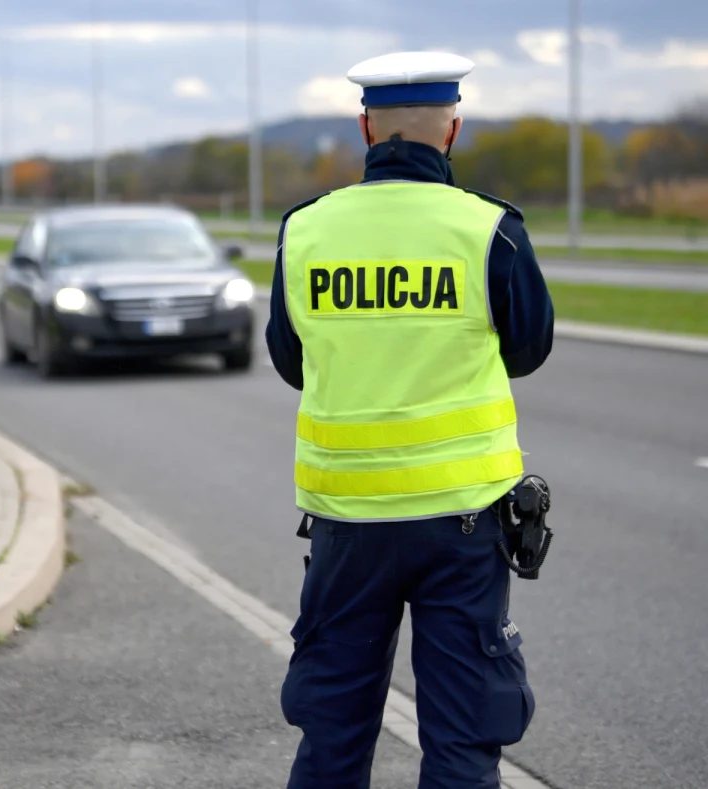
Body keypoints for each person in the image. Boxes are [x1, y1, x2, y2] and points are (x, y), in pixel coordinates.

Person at [266, 51, 554, 789]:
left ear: (366, 128)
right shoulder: (492, 231)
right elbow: (527, 349)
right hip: (462, 524)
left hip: (346, 523)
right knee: (462, 741)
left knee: (331, 739)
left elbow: (291, 360)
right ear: (452, 129)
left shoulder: (306, 231)